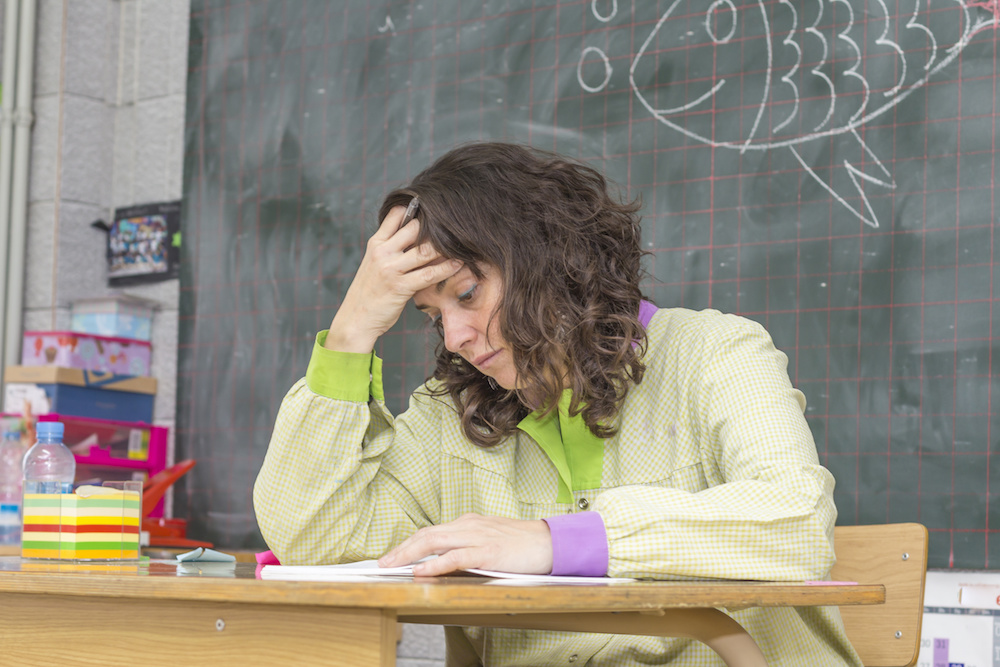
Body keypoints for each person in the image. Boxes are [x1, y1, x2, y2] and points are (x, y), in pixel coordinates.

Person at [253, 142, 862, 666]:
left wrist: (556, 542)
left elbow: (797, 521)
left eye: (467, 293)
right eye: (433, 316)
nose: (456, 337)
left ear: (547, 257)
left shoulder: (714, 352)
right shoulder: (451, 415)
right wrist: (352, 331)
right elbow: (316, 537)